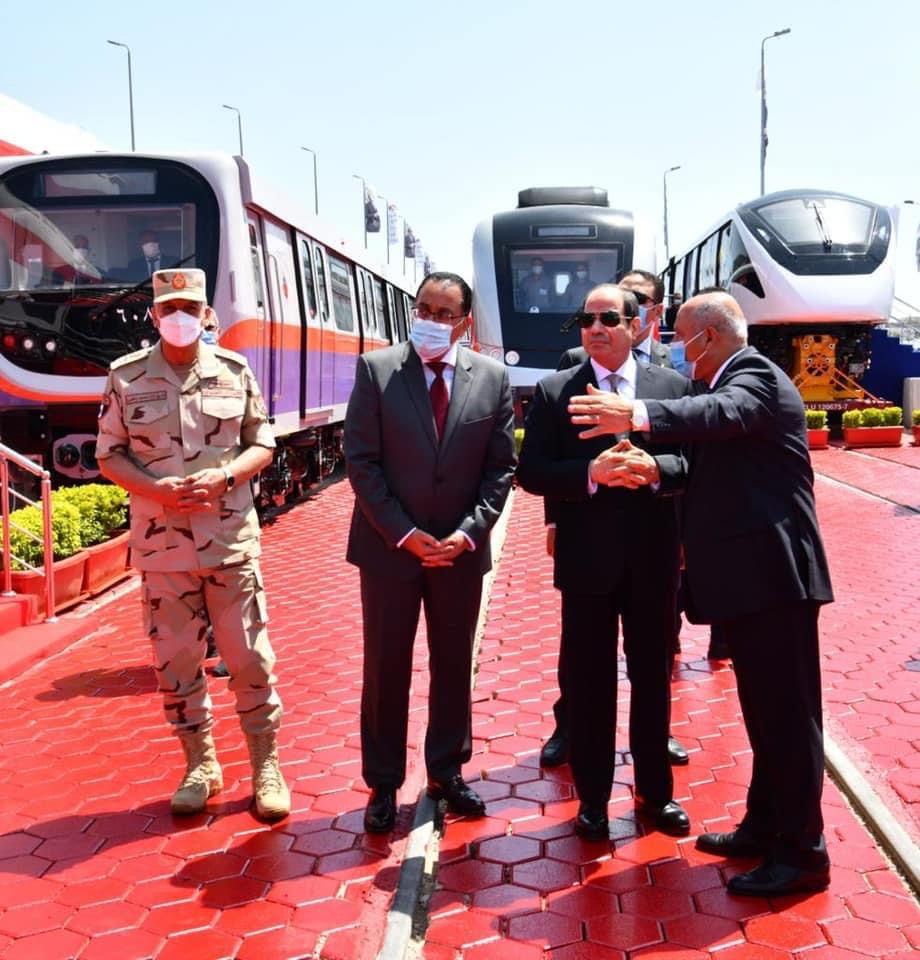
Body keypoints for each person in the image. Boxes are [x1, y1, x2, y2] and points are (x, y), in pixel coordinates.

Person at [567, 290, 833, 895]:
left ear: (707, 336)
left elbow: (720, 415)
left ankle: (803, 854)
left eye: (680, 338)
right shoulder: (728, 382)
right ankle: (765, 826)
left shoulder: (753, 376)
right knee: (765, 716)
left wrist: (635, 414)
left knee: (788, 720)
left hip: (776, 579)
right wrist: (656, 469)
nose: (677, 352)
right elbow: (708, 460)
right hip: (751, 580)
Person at [96, 268, 290, 822]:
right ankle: (201, 767)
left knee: (249, 658)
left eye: (189, 308)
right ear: (154, 315)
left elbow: (262, 442)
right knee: (176, 663)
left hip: (229, 542)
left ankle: (265, 766)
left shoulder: (234, 370)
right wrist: (155, 489)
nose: (178, 317)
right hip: (164, 551)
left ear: (206, 315)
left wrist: (226, 477)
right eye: (168, 308)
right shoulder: (126, 376)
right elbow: (109, 454)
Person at [517, 283, 692, 841]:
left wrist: (657, 470)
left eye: (609, 319)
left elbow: (697, 462)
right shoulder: (556, 391)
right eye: (587, 319)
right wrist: (589, 475)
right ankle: (592, 799)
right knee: (590, 683)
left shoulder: (671, 387)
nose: (595, 328)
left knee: (652, 679)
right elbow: (531, 470)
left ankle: (655, 793)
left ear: (636, 325)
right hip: (586, 563)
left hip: (654, 559)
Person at [344, 271, 515, 833]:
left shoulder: (491, 378)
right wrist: (402, 532)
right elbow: (361, 462)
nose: (432, 321)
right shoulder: (378, 370)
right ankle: (383, 782)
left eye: (445, 314)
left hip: (458, 552)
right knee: (385, 665)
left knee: (453, 663)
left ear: (464, 322)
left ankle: (446, 770)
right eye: (424, 309)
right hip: (390, 550)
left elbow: (500, 468)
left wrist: (469, 533)